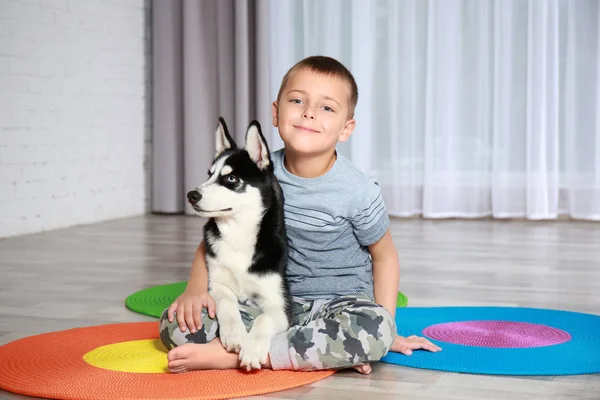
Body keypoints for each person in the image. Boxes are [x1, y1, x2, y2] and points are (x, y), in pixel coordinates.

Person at [159, 55, 441, 375]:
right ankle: (319, 351)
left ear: (346, 128)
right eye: (297, 101)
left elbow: (385, 258)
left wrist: (388, 327)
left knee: (375, 329)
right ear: (276, 113)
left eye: (327, 107)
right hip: (270, 304)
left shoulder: (359, 190)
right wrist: (195, 290)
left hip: (338, 305)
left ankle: (253, 355)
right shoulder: (253, 173)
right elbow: (216, 235)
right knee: (179, 327)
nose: (309, 112)